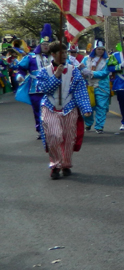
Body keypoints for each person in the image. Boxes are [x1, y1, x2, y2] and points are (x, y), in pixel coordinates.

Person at [36, 42, 92, 179]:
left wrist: (85, 108)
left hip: (69, 107)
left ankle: (66, 164)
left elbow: (80, 90)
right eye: (62, 53)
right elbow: (42, 89)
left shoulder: (74, 70)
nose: (65, 55)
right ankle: (55, 165)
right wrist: (56, 76)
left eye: (66, 53)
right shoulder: (44, 71)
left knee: (69, 138)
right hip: (50, 107)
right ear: (53, 54)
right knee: (54, 135)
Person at [15, 24, 53, 136]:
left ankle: (51, 129)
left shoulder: (54, 57)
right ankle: (41, 131)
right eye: (44, 44)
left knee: (52, 110)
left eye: (48, 44)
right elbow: (21, 68)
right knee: (38, 110)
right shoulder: (30, 57)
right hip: (35, 88)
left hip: (52, 87)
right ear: (40, 45)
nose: (46, 46)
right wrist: (20, 75)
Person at [79, 39, 111, 133]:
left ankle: (99, 126)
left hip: (101, 86)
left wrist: (90, 72)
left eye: (102, 49)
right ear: (95, 49)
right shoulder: (86, 59)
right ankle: (88, 123)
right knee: (87, 106)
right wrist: (82, 71)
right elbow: (81, 69)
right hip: (88, 86)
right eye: (98, 49)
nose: (100, 51)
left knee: (101, 107)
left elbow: (105, 73)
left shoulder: (107, 60)